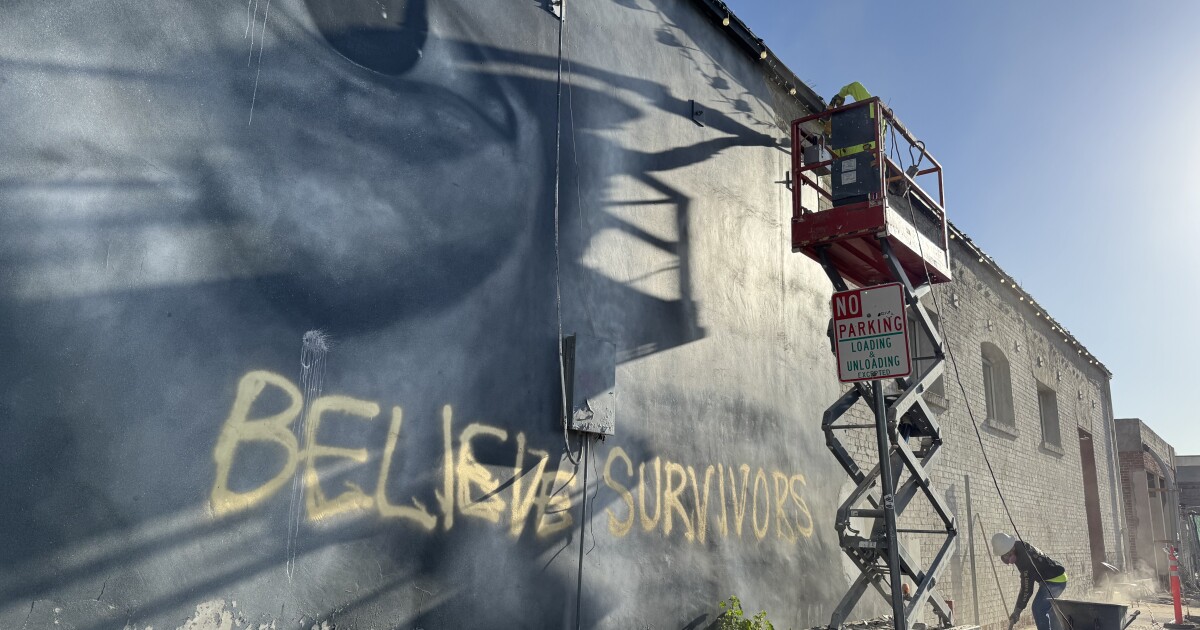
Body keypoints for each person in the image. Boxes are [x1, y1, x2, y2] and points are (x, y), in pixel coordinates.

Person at [992, 533, 1069, 630]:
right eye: (1004, 558)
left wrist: (1018, 610)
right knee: (1050, 610)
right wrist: (1018, 609)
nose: (1008, 560)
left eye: (1008, 556)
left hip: (1055, 581)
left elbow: (1027, 588)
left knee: (1038, 608)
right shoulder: (1019, 546)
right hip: (1054, 578)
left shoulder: (1024, 558)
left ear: (1011, 548)